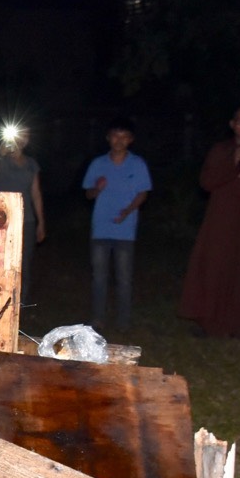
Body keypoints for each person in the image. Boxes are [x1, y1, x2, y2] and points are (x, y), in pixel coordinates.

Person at [176, 106, 240, 337]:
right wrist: (232, 166)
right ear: (232, 124)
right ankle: (208, 320)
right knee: (214, 266)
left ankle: (238, 322)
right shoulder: (220, 150)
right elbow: (207, 182)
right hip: (219, 220)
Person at [82, 117, 152, 332]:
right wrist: (98, 189)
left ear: (130, 140)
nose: (119, 140)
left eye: (124, 136)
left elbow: (143, 193)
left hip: (125, 230)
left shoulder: (137, 164)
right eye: (115, 135)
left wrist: (128, 211)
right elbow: (88, 194)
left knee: (124, 277)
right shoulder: (98, 163)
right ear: (108, 138)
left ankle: (123, 322)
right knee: (99, 276)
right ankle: (98, 319)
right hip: (101, 228)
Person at [0, 125, 46, 299]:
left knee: (23, 264)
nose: (21, 139)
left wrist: (41, 222)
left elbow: (36, 193)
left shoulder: (31, 164)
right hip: (0, 220)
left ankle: (19, 305)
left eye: (25, 135)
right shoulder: (0, 158)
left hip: (26, 220)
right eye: (18, 135)